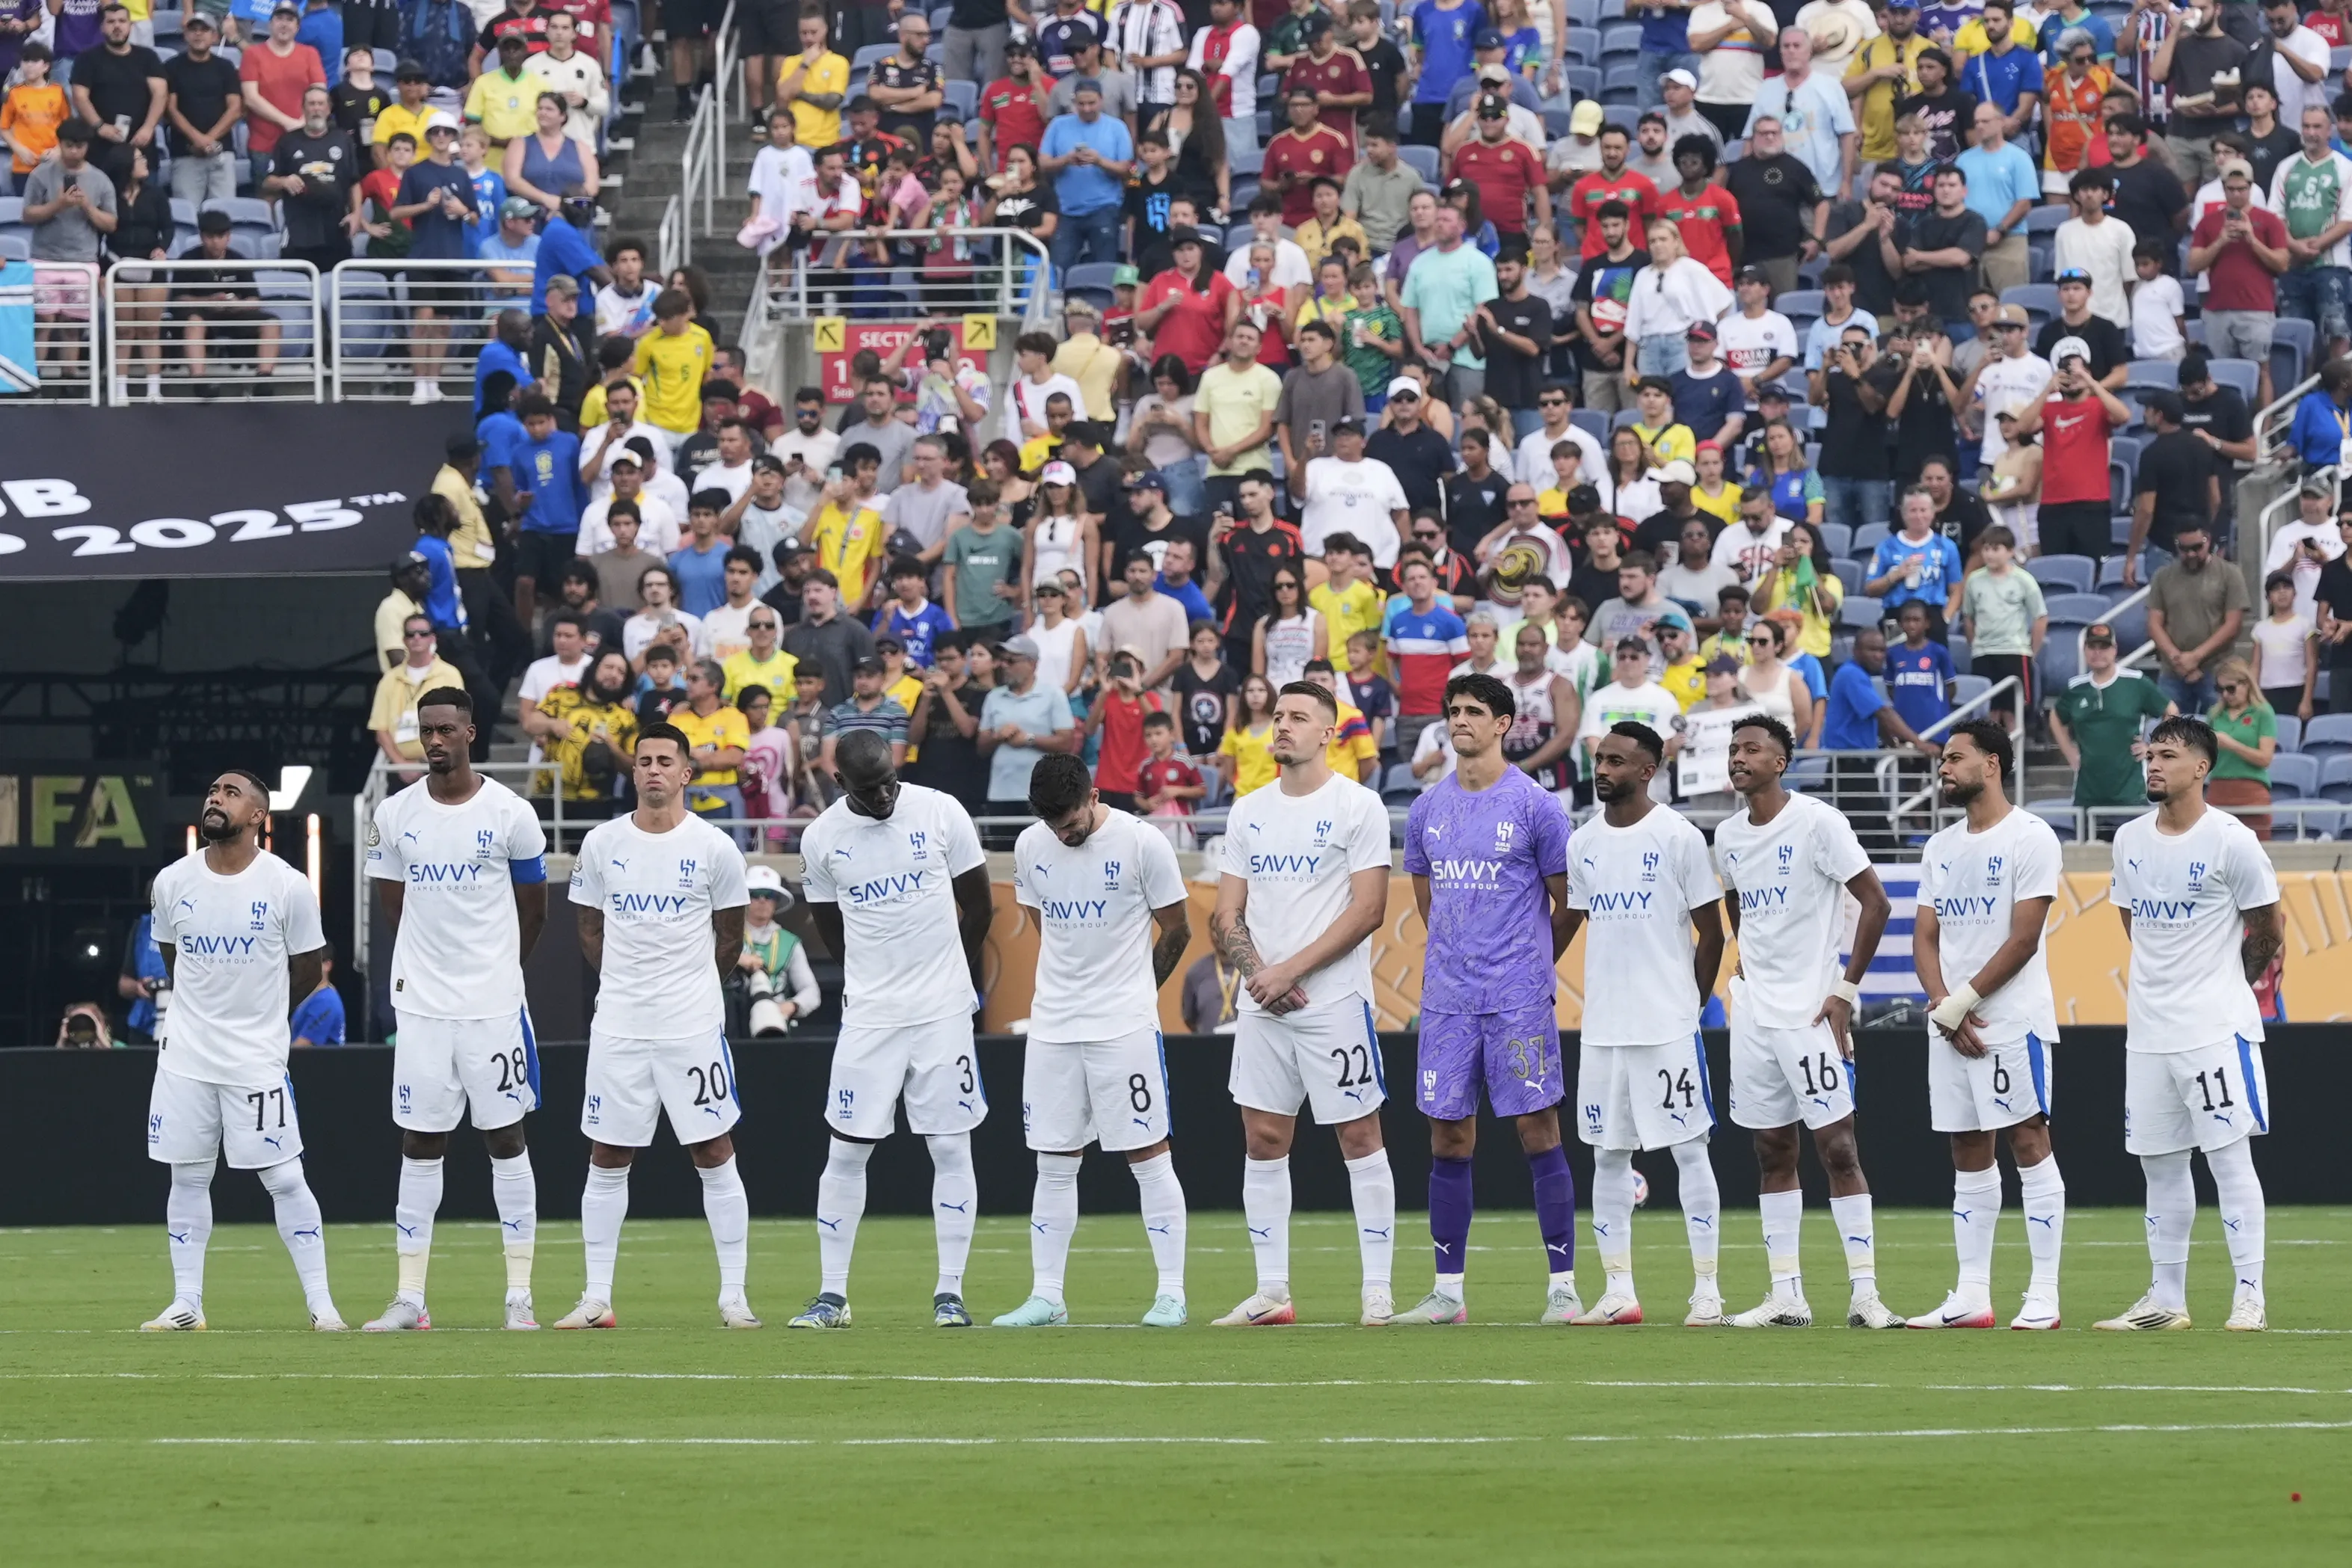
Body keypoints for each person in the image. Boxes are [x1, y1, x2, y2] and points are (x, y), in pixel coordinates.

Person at [1386, 671, 1579, 1325]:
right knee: (1446, 1138)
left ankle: (1562, 1285)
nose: (1459, 720)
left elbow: (1566, 903)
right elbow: (1426, 900)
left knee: (1537, 1129)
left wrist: (1527, 965)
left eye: (1473, 711)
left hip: (1518, 1000)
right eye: (1452, 711)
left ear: (1503, 723)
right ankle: (1447, 1292)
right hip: (1446, 1001)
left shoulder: (1536, 806)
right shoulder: (1425, 810)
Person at [789, 728, 995, 1330]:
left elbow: (979, 905)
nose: (883, 796)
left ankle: (950, 1292)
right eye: (868, 789)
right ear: (839, 782)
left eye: (888, 782)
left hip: (942, 1011)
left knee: (950, 1145)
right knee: (846, 1148)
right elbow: (829, 929)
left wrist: (947, 977)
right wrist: (875, 982)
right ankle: (832, 1295)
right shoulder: (822, 837)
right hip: (871, 1015)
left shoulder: (940, 810)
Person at [357, 686, 547, 1332]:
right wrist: (428, 966)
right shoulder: (394, 812)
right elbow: (392, 904)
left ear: (470, 732)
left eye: (445, 729)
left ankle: (518, 1294)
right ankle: (410, 1297)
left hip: (492, 1004)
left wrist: (495, 969)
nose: (434, 740)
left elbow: (535, 908)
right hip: (423, 1006)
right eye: (425, 730)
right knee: (419, 1138)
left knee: (506, 1136)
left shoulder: (512, 812)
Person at [1524, 720, 1725, 1326]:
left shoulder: (1679, 836)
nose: (1602, 768)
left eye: (1616, 760)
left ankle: (1707, 1291)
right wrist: (1526, 980)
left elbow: (1711, 932)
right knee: (1607, 1156)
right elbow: (1569, 923)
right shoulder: (1582, 842)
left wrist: (1689, 1007)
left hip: (1666, 1026)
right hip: (1603, 1027)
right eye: (1599, 758)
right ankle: (1618, 1290)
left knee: (1691, 1152)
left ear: (1646, 770)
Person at [1207, 678, 1395, 1327]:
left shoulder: (1358, 805)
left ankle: (1376, 1288)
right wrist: (1261, 975)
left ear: (1328, 731)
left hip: (1334, 1002)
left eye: (1297, 717)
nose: (1281, 725)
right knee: (1262, 1138)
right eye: (1278, 715)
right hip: (1265, 1004)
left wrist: (1289, 970)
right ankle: (1271, 1291)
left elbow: (1369, 909)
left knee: (1358, 1134)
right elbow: (1225, 913)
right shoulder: (1247, 810)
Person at [552, 727, 753, 1330]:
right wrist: (627, 983)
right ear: (633, 772)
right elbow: (588, 928)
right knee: (608, 1153)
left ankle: (734, 1296)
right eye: (644, 762)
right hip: (619, 1022)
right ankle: (596, 1297)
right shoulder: (601, 842)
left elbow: (731, 935)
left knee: (713, 1149)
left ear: (687, 773)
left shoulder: (716, 847)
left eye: (666, 761)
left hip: (690, 1024)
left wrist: (690, 990)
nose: (654, 770)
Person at [1713, 713, 1906, 1330]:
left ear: (1780, 761)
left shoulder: (1819, 822)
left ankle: (1865, 1294)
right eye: (1733, 749)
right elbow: (1735, 901)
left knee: (1839, 1146)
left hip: (1810, 1010)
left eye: (1751, 749)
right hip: (1753, 1012)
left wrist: (1844, 991)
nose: (1738, 757)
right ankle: (1786, 1295)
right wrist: (1746, 960)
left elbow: (1875, 901)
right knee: (1771, 1148)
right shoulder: (1727, 835)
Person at [991, 754, 1194, 1327]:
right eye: (1053, 824)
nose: (1064, 832)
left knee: (1148, 1154)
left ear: (1094, 794)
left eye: (1071, 820)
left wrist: (1135, 992)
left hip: (1123, 1024)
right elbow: (1039, 919)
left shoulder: (1141, 842)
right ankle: (1047, 1296)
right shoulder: (1031, 846)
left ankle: (1171, 1293)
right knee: (1053, 1160)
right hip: (1053, 1023)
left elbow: (1177, 926)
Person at [136, 768, 340, 1332]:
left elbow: (306, 971)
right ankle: (187, 1303)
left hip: (254, 1058)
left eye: (230, 793)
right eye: (211, 791)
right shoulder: (172, 881)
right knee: (187, 1177)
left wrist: (259, 1017)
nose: (215, 799)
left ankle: (322, 1306)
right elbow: (175, 960)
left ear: (257, 815)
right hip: (184, 1056)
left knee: (284, 1178)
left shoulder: (288, 885)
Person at [2098, 717, 2282, 1332]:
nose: (2152, 764)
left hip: (2213, 1029)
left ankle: (2248, 1297)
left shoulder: (2231, 840)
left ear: (2201, 767)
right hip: (2148, 1032)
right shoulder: (2126, 839)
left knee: (2228, 1161)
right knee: (2160, 1164)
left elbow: (2268, 929)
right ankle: (2164, 1300)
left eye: (2167, 755)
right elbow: (2133, 924)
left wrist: (2223, 983)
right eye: (2149, 753)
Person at [1906, 720, 2069, 1329]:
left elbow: (2024, 937)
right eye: (1941, 758)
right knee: (1966, 1148)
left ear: (1993, 763)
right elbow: (1924, 934)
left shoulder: (2031, 837)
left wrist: (1960, 1001)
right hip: (1951, 1022)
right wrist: (1943, 1004)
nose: (1942, 768)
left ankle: (2043, 1294)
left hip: (2009, 1019)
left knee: (2028, 1141)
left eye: (1955, 758)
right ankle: (1971, 1294)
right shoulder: (1939, 846)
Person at [2011, 340, 2130, 561]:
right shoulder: (2049, 409)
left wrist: (2091, 383)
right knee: (2055, 569)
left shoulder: (2098, 407)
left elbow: (2123, 416)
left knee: (2094, 567)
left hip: (2092, 504)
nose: (2073, 376)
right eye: (2067, 371)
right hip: (2053, 506)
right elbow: (2022, 428)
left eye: (2078, 370)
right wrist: (2048, 388)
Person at [2051, 621, 2177, 824]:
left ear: (2115, 649)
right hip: (2087, 793)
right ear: (2084, 650)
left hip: (2129, 792)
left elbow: (2171, 711)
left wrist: (2154, 748)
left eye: (2104, 647)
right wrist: (2070, 753)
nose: (2098, 652)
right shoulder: (2076, 688)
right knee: (2088, 855)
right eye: (2092, 647)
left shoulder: (2135, 682)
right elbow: (2056, 716)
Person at [1956, 526, 2047, 732]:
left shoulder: (2024, 580)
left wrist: (2031, 650)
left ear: (2010, 551)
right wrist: (1976, 645)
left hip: (2014, 651)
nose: (1989, 554)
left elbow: (2040, 617)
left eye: (1995, 549)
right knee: (1990, 712)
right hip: (1984, 653)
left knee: (2012, 711)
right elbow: (1969, 617)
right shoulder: (1974, 580)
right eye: (1986, 549)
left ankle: (2014, 761)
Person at [1868, 485, 1966, 639]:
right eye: (1913, 511)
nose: (1918, 516)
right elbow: (1870, 588)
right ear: (1903, 513)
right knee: (1896, 662)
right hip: (1895, 616)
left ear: (1933, 512)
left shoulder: (1946, 546)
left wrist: (1945, 619)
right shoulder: (1887, 547)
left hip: (1932, 616)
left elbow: (1956, 590)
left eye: (1923, 510)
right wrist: (1894, 576)